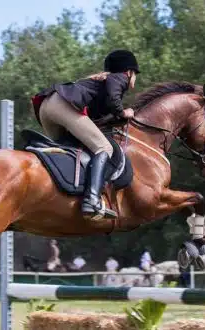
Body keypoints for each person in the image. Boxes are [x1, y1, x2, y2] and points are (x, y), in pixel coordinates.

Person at [31, 50, 140, 221]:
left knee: (70, 150)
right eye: (135, 74)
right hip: (62, 106)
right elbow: (114, 100)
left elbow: (96, 117)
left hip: (46, 107)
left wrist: (115, 118)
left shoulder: (98, 82)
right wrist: (123, 112)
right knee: (104, 147)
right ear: (129, 72)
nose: (135, 79)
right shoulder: (119, 78)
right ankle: (92, 199)